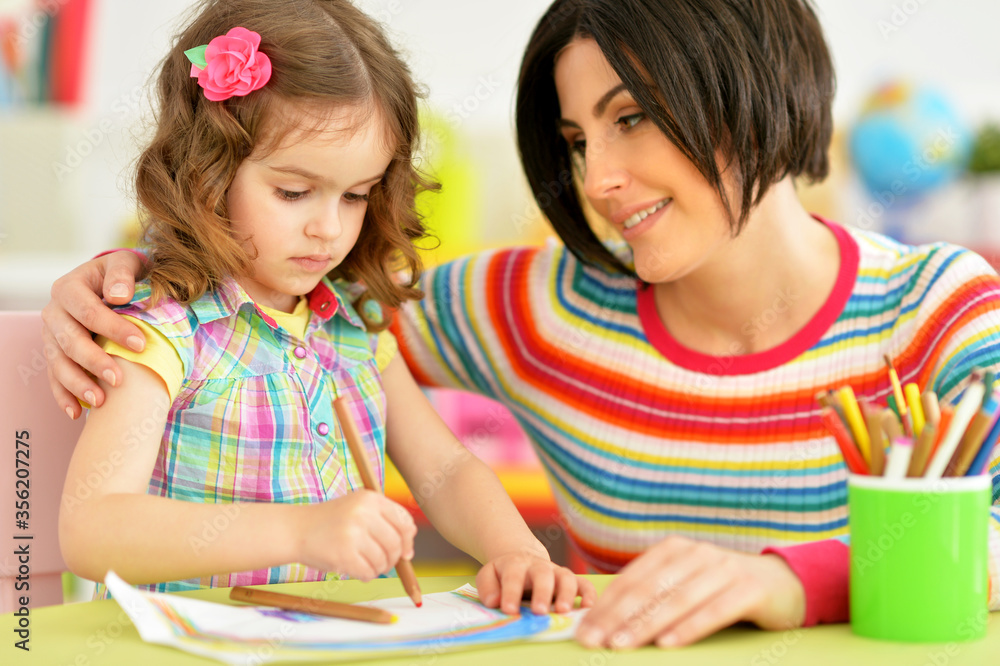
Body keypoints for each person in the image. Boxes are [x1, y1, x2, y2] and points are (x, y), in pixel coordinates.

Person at [44, 0, 1000, 649]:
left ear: (755, 90)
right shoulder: (531, 305)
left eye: (632, 119)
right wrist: (105, 282)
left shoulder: (940, 307)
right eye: (578, 139)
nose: (597, 180)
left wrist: (793, 583)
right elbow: (266, 320)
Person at [54, 0, 594, 616]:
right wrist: (302, 531)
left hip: (324, 638)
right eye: (293, 191)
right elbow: (91, 530)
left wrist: (516, 551)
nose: (329, 229)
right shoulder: (163, 328)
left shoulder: (352, 323)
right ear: (207, 171)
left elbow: (444, 467)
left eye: (357, 195)